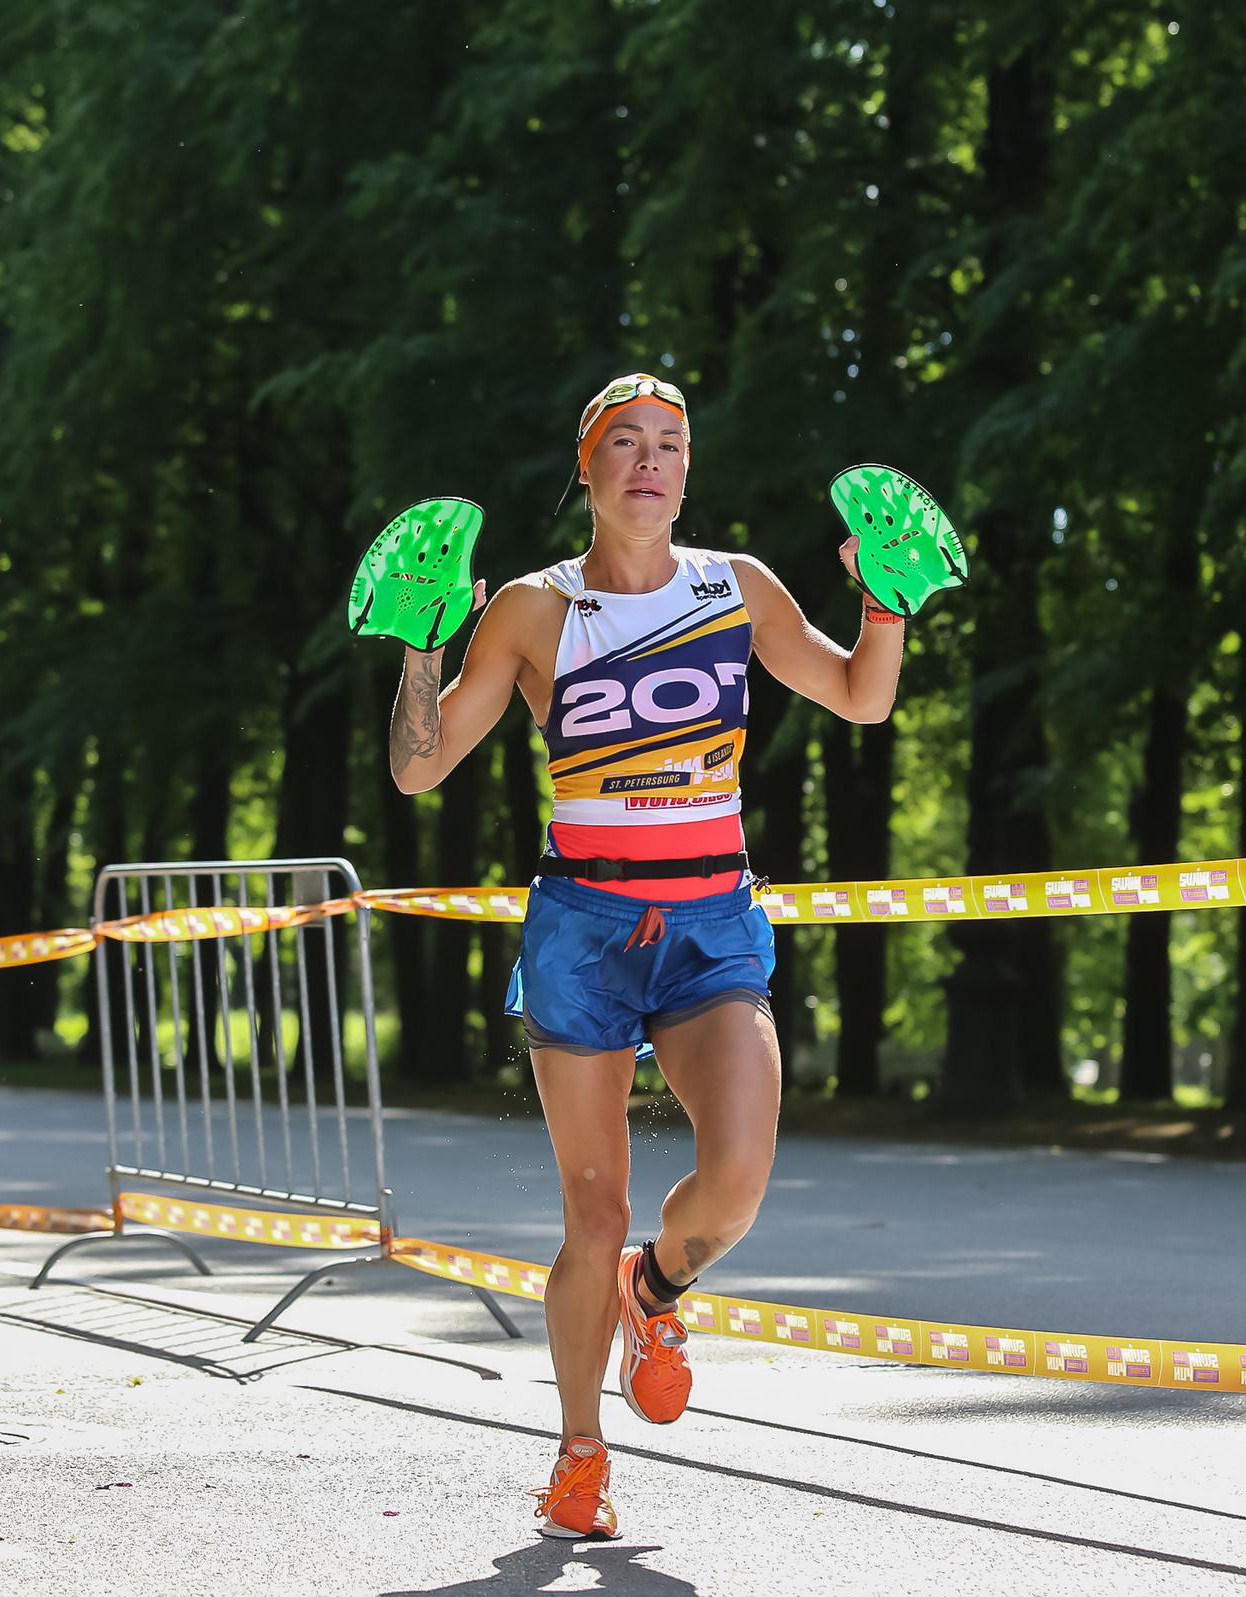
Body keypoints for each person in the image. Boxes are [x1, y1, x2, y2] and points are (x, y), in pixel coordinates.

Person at [385, 372, 912, 1538]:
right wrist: (422, 650)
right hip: (584, 931)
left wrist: (885, 605)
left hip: (709, 925)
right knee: (590, 1213)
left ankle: (654, 1284)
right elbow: (419, 770)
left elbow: (859, 700)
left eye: (668, 443)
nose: (648, 461)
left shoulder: (737, 586)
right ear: (587, 468)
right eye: (623, 442)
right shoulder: (534, 607)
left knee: (738, 1182)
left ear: (686, 469)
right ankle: (579, 1454)